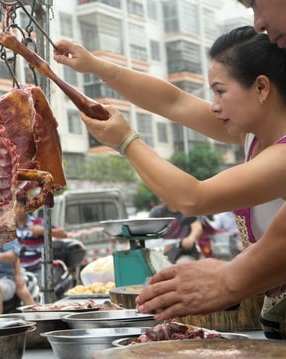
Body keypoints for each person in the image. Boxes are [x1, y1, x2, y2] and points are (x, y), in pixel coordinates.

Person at [53, 26, 286, 337]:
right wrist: (98, 67)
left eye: (219, 91)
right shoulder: (251, 135)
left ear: (261, 88)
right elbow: (173, 101)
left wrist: (126, 141)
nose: (214, 105)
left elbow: (193, 198)